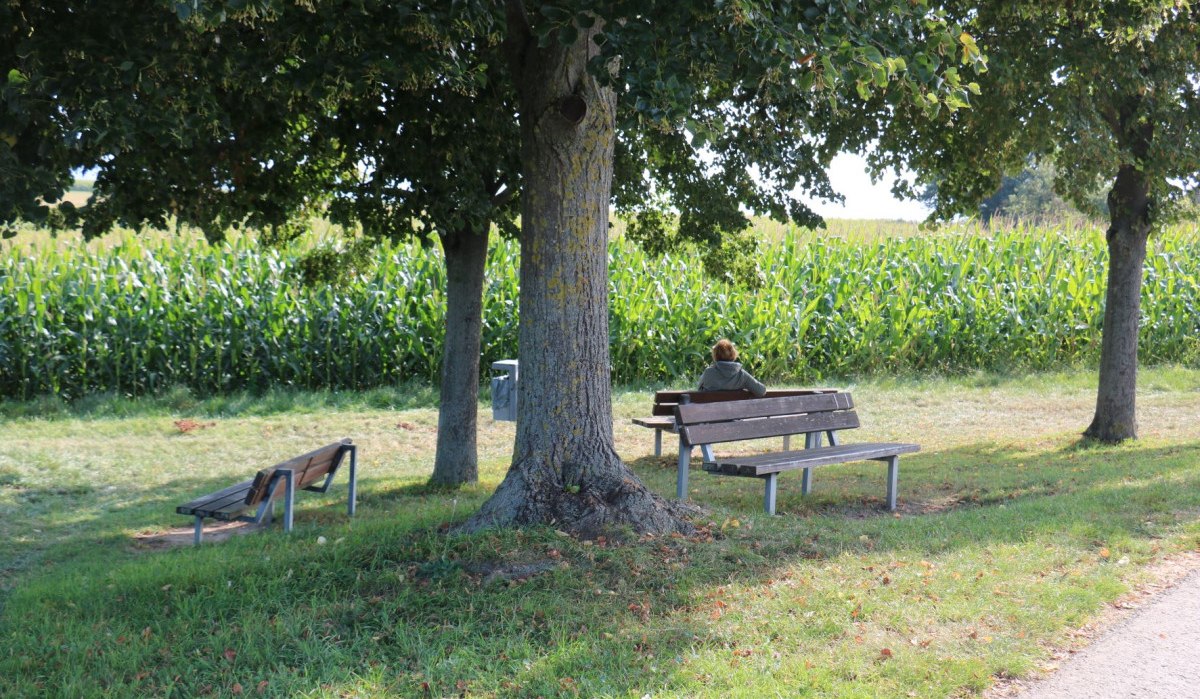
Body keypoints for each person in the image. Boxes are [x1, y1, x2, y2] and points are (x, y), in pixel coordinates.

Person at [698, 338, 766, 397]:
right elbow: (761, 391)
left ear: (715, 355)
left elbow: (699, 390)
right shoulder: (742, 375)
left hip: (711, 411)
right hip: (736, 411)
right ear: (733, 354)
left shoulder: (708, 373)